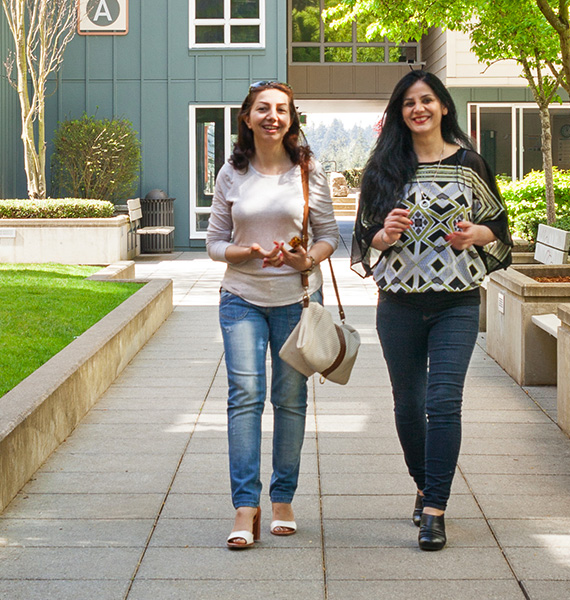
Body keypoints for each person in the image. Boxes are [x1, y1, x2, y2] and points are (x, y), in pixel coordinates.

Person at [350, 70, 512, 551]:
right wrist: (386, 233)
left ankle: (435, 510)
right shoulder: (383, 168)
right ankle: (423, 484)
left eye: (426, 100)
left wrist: (472, 236)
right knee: (409, 405)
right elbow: (365, 238)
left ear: (443, 106)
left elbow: (498, 229)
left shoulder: (469, 165)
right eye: (407, 103)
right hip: (398, 304)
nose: (417, 109)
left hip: (455, 304)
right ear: (400, 113)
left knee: (443, 403)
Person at [206, 81, 338, 550]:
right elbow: (214, 242)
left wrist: (307, 260)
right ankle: (246, 506)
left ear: (291, 119)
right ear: (247, 117)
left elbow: (328, 235)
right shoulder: (231, 173)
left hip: (296, 301)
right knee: (244, 396)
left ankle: (283, 498)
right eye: (263, 108)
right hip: (240, 297)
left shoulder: (308, 170)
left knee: (290, 398)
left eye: (282, 109)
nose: (273, 116)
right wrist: (241, 252)